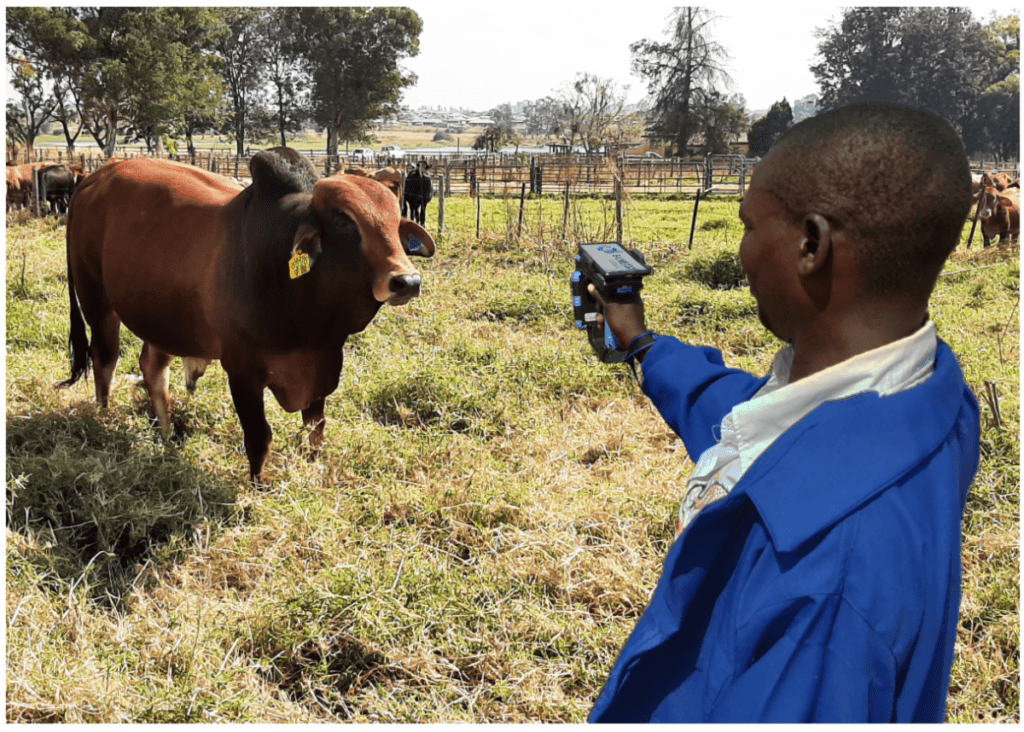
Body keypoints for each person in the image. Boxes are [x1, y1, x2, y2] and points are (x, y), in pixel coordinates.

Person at [586, 103, 981, 723]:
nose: (741, 251)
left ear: (811, 246)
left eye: (748, 225)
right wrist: (643, 344)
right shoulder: (929, 401)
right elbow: (750, 422)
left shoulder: (827, 583)